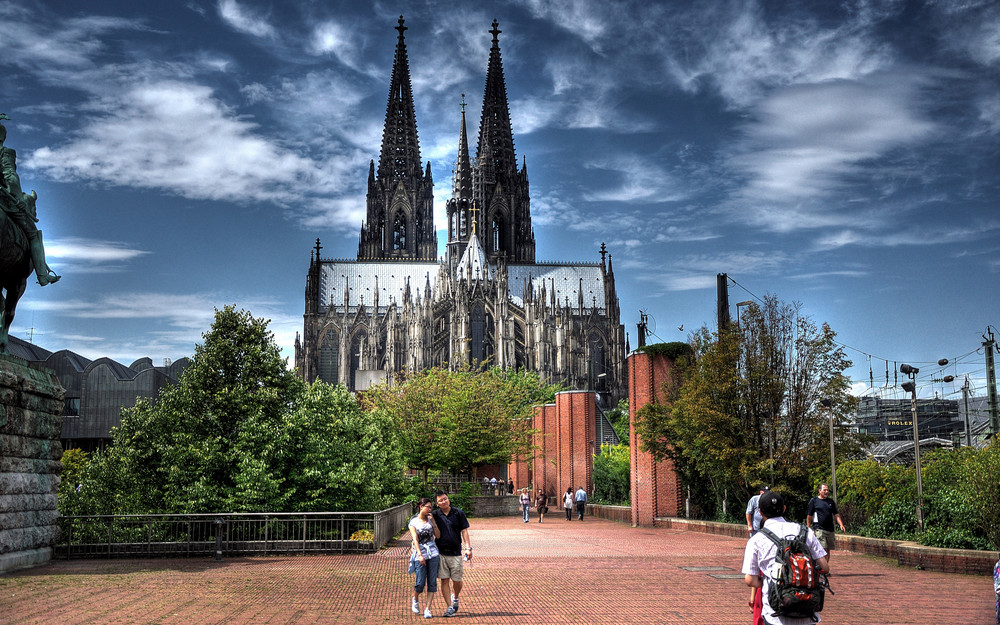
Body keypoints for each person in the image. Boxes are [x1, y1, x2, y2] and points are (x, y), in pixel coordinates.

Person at [743, 491, 829, 625]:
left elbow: (750, 580)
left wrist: (774, 581)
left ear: (760, 512)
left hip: (776, 613)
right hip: (807, 610)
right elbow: (825, 567)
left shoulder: (756, 540)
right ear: (784, 508)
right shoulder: (805, 532)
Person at [0, 117, 59, 286]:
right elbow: (10, 176)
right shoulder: (6, 152)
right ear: (3, 138)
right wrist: (18, 198)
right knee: (33, 235)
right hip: (4, 199)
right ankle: (43, 275)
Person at [432, 490, 471, 618]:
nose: (444, 501)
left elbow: (464, 530)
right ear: (437, 503)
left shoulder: (458, 513)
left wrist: (468, 548)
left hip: (456, 552)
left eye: (445, 499)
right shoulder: (435, 515)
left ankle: (456, 597)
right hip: (441, 551)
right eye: (440, 500)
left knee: (457, 580)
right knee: (444, 580)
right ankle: (449, 607)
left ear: (448, 499)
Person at [408, 497, 441, 619]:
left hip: (433, 553)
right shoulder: (414, 522)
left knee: (432, 582)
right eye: (428, 507)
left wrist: (434, 523)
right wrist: (420, 555)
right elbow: (415, 539)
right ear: (421, 507)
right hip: (420, 553)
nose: (430, 510)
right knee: (420, 583)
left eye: (431, 508)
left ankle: (428, 608)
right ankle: (415, 599)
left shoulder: (431, 520)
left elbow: (437, 536)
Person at [805, 483, 846, 561]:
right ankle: (822, 570)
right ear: (819, 491)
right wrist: (809, 527)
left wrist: (841, 524)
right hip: (819, 529)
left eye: (827, 490)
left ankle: (824, 569)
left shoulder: (830, 502)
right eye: (824, 490)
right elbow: (809, 516)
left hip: (830, 529)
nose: (826, 491)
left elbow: (836, 514)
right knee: (823, 550)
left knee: (827, 551)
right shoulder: (814, 501)